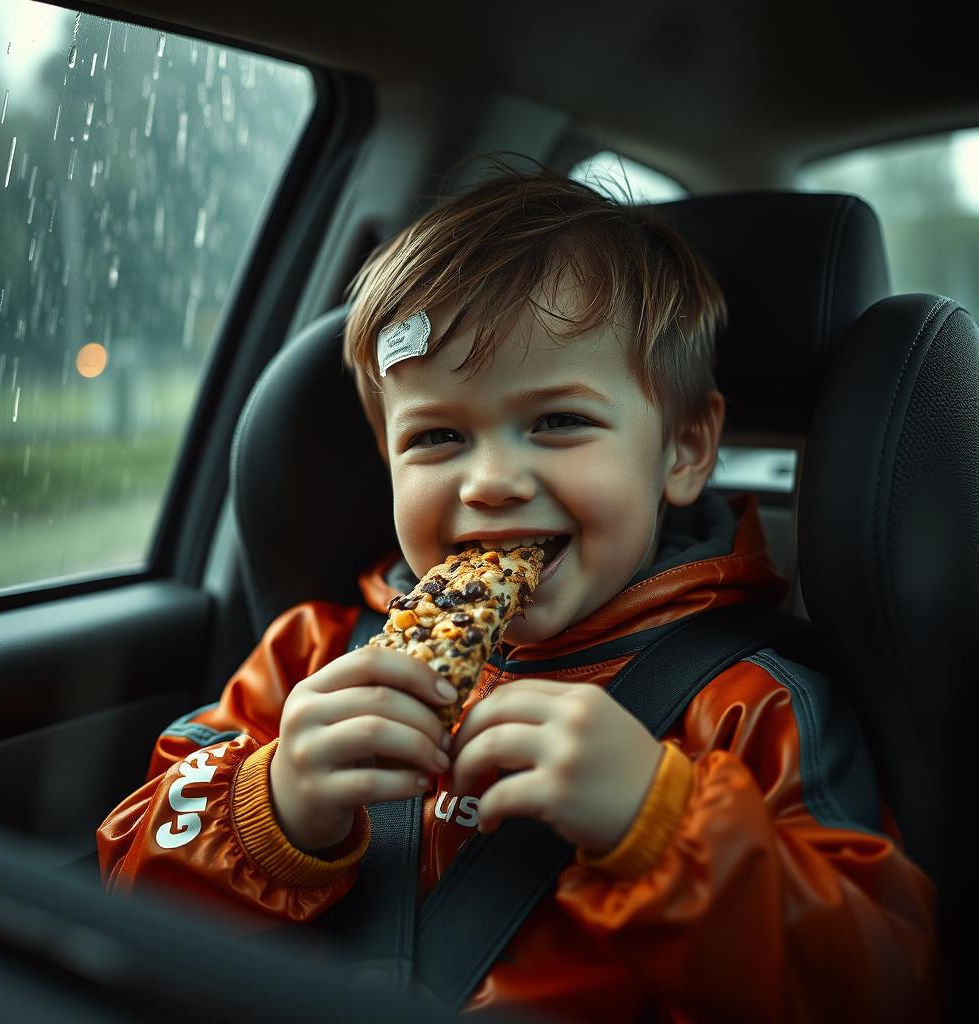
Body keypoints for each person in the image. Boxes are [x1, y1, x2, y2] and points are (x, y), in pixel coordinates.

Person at [98, 167, 940, 1022]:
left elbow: (881, 987)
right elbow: (122, 904)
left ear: (684, 451)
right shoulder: (311, 657)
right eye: (436, 436)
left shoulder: (750, 707)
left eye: (559, 422)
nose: (493, 481)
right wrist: (270, 809)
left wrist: (661, 824)